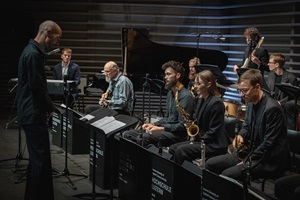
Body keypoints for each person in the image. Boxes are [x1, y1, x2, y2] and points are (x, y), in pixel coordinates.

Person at [205, 69, 290, 182]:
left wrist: (248, 160)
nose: (241, 94)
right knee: (210, 164)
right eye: (239, 90)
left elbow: (268, 143)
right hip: (250, 153)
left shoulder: (272, 109)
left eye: (244, 91)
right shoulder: (250, 102)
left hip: (268, 159)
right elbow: (247, 126)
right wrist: (240, 135)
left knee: (228, 175)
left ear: (258, 87)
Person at [17, 20, 62, 200]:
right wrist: (50, 108)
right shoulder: (33, 54)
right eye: (57, 38)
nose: (57, 43)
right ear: (48, 32)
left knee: (36, 163)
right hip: (33, 113)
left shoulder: (31, 51)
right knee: (41, 163)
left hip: (30, 112)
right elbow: (37, 87)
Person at [122, 60, 194, 147]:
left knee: (143, 137)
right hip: (166, 130)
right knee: (127, 134)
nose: (165, 77)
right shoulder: (170, 94)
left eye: (168, 74)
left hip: (177, 135)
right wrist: (152, 125)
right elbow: (167, 119)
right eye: (165, 74)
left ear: (178, 75)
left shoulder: (186, 96)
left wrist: (160, 128)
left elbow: (182, 126)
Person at [168, 70, 229, 165]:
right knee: (172, 148)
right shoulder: (200, 100)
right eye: (195, 83)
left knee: (181, 150)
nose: (195, 86)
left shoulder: (216, 103)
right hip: (202, 140)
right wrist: (191, 124)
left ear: (209, 84)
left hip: (213, 144)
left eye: (199, 84)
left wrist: (197, 140)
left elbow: (214, 130)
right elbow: (198, 120)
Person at [266, 53, 299, 130]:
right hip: (272, 103)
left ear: (277, 64)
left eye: (270, 62)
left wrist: (280, 103)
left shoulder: (291, 78)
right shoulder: (271, 75)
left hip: (284, 105)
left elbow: (295, 98)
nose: (268, 64)